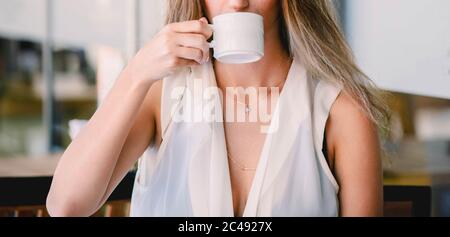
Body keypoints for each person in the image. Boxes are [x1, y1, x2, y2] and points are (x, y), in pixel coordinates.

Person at [46, 0, 389, 217]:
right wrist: (136, 73)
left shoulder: (342, 113)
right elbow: (65, 206)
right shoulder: (161, 92)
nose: (238, 3)